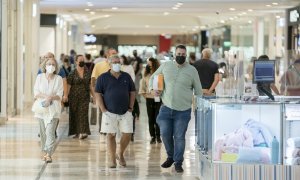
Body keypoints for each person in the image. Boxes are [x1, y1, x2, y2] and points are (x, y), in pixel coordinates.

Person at [149, 44, 202, 173]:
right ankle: (171, 156)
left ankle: (178, 162)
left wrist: (198, 107)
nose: (180, 56)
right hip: (166, 108)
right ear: (174, 54)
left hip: (183, 111)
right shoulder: (166, 66)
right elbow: (153, 77)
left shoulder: (192, 70)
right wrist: (152, 89)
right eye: (178, 54)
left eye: (183, 54)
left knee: (179, 136)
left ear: (186, 55)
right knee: (165, 134)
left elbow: (198, 91)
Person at [95, 54, 135, 168]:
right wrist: (103, 109)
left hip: (125, 111)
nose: (117, 64)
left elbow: (132, 92)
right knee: (111, 135)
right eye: (115, 62)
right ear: (110, 63)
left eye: (119, 62)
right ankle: (112, 159)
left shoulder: (126, 76)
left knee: (127, 134)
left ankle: (120, 153)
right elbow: (97, 93)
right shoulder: (103, 77)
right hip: (109, 112)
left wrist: (131, 108)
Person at [33, 57, 63, 163]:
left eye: (53, 64)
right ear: (45, 66)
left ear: (56, 67)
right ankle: (44, 152)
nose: (51, 66)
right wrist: (47, 96)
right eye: (49, 64)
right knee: (43, 133)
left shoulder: (58, 78)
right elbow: (36, 92)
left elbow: (60, 95)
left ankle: (48, 154)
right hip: (41, 109)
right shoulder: (40, 77)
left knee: (50, 131)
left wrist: (51, 98)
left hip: (53, 109)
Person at [91, 48, 117, 134]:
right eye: (113, 53)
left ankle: (111, 128)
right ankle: (102, 129)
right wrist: (94, 93)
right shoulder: (99, 65)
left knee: (113, 110)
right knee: (102, 110)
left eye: (115, 53)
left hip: (114, 92)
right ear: (107, 54)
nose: (114, 55)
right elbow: (93, 79)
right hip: (102, 92)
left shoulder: (117, 65)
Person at [67, 55, 92, 139]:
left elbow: (90, 85)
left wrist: (94, 96)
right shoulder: (72, 73)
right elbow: (68, 85)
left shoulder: (87, 72)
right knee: (74, 114)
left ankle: (83, 132)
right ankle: (77, 132)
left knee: (83, 113)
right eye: (80, 60)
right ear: (76, 62)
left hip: (85, 96)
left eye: (83, 60)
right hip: (73, 97)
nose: (82, 61)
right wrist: (66, 96)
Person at [139, 57, 162, 144]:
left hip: (158, 99)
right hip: (149, 99)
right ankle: (152, 136)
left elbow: (163, 87)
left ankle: (158, 136)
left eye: (150, 64)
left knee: (158, 118)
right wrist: (147, 96)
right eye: (148, 64)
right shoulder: (146, 76)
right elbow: (142, 88)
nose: (149, 66)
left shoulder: (160, 75)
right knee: (150, 118)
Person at [120, 55, 138, 142]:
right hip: (120, 93)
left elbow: (133, 78)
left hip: (128, 91)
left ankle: (131, 133)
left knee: (131, 114)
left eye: (122, 59)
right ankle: (123, 132)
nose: (120, 61)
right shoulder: (119, 67)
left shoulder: (129, 67)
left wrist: (129, 87)